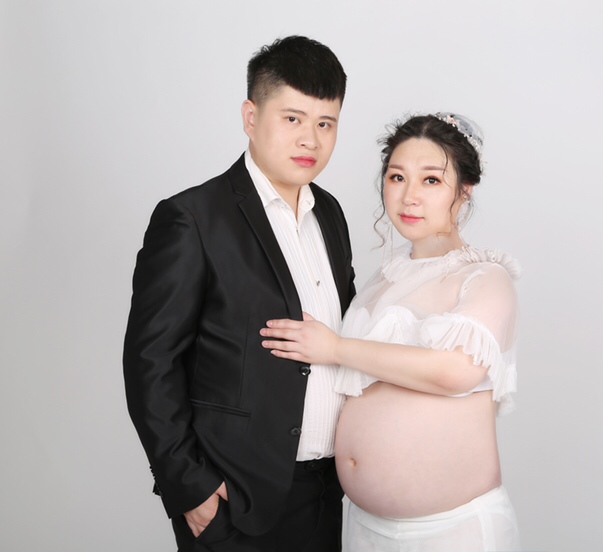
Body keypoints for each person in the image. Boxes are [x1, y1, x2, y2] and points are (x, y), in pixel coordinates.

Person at [123, 35, 355, 551]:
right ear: (251, 117)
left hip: (326, 493)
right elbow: (150, 363)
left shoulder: (330, 214)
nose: (310, 140)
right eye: (292, 118)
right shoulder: (192, 218)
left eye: (326, 123)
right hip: (233, 499)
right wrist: (191, 488)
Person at [260, 113, 522, 551]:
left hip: (451, 531)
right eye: (397, 177)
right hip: (364, 526)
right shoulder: (381, 281)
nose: (409, 196)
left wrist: (336, 348)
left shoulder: (485, 277)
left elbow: (455, 371)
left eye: (431, 180)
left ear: (465, 189)